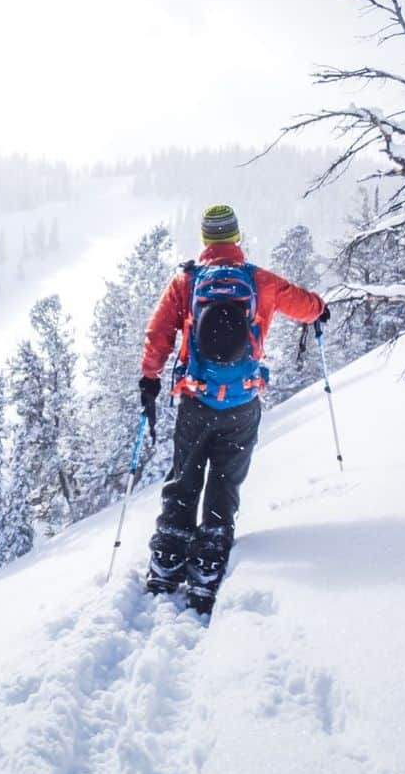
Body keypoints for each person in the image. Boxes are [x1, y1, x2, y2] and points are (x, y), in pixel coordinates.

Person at [138, 203, 329, 614]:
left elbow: (158, 336)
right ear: (236, 237)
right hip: (243, 403)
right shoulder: (259, 280)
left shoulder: (186, 281)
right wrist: (320, 309)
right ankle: (207, 569)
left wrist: (149, 379)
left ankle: (167, 561)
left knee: (184, 477)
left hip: (195, 399)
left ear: (206, 240)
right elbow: (306, 304)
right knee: (225, 484)